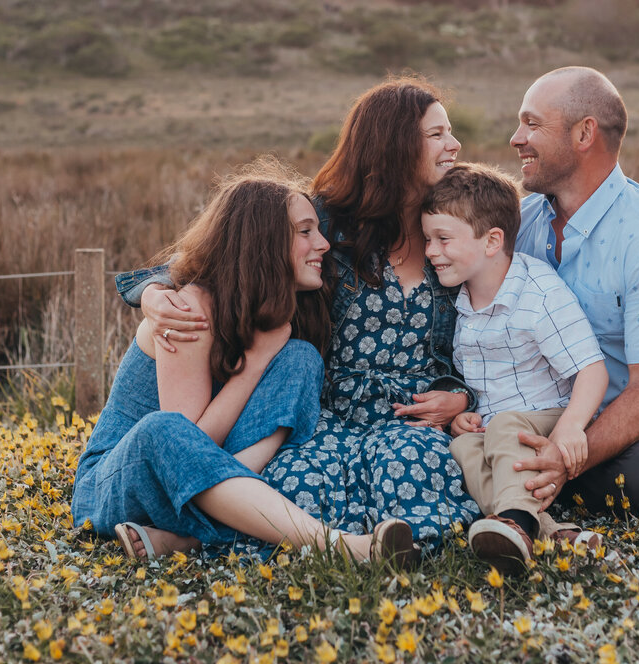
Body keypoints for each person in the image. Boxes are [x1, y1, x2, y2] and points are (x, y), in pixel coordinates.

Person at [122, 78, 481, 554]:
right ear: (393, 145)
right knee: (300, 482)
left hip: (410, 419)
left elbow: (490, 327)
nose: (454, 145)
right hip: (323, 410)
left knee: (416, 475)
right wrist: (149, 292)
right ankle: (334, 545)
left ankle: (192, 538)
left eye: (450, 132)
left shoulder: (457, 225)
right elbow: (228, 257)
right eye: (437, 134)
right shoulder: (328, 224)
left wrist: (460, 397)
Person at [73, 161, 416, 565]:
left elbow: (231, 453)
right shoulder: (189, 311)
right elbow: (187, 445)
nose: (323, 244)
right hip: (118, 480)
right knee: (164, 429)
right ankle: (342, 546)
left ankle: (190, 536)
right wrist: (254, 364)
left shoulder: (281, 319)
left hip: (200, 476)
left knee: (302, 358)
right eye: (305, 232)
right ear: (263, 243)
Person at [509, 66, 639, 519]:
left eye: (532, 123)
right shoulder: (519, 223)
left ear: (584, 134)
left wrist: (565, 456)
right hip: (535, 417)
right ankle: (527, 478)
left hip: (631, 440)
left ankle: (528, 481)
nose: (517, 138)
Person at [420, 162, 608, 574]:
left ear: (492, 241)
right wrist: (468, 416)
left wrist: (572, 426)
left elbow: (592, 369)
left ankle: (517, 523)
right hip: (498, 425)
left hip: (551, 413)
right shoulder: (458, 300)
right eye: (427, 239)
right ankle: (549, 534)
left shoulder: (538, 292)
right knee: (464, 448)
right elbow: (481, 381)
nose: (431, 251)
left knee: (505, 426)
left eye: (443, 239)